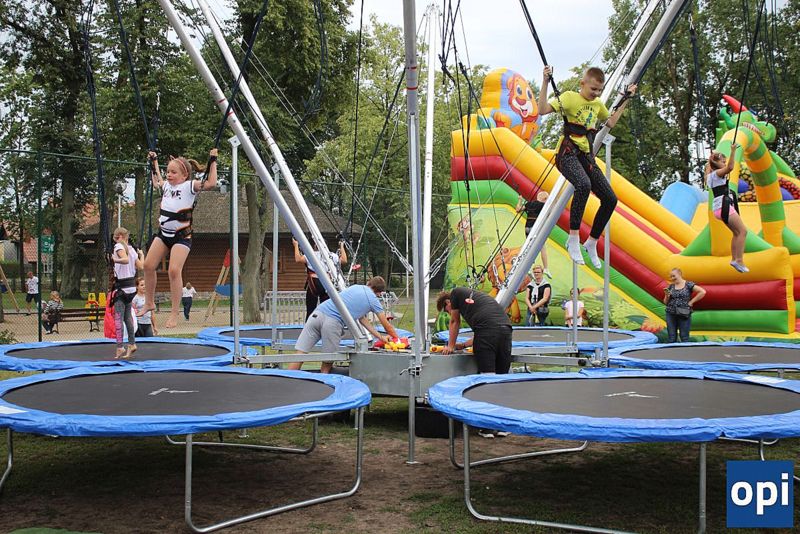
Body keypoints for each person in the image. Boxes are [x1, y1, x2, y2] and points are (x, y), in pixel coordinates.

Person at [538, 65, 636, 269]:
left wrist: (625, 99)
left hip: (585, 156)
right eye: (593, 89)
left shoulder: (597, 104)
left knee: (610, 199)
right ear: (582, 84)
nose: (596, 94)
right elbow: (542, 110)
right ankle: (573, 237)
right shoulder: (569, 98)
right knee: (583, 185)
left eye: (600, 90)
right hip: (566, 154)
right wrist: (546, 82)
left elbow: (610, 122)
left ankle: (591, 242)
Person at [139, 149, 218, 328]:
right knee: (148, 265)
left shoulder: (189, 186)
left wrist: (213, 160)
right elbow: (157, 180)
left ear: (184, 175)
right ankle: (149, 303)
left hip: (182, 237)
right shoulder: (166, 186)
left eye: (173, 172)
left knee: (174, 270)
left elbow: (211, 183)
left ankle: (174, 313)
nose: (169, 175)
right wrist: (154, 162)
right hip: (164, 234)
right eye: (168, 171)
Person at [438, 287, 512, 439]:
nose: (449, 313)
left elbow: (455, 321)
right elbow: (487, 328)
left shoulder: (456, 293)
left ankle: (487, 427)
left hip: (487, 333)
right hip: (505, 330)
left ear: (448, 302)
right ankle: (502, 426)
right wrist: (463, 345)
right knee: (501, 380)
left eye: (447, 310)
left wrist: (451, 346)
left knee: (487, 379)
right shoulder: (478, 299)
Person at [290, 276, 399, 374]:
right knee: (328, 360)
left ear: (369, 283)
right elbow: (386, 325)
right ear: (379, 293)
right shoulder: (373, 300)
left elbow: (362, 319)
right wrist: (397, 339)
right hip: (332, 322)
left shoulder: (355, 287)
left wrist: (380, 337)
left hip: (317, 314)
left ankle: (288, 377)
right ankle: (324, 380)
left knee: (300, 354)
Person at [705, 142, 748, 272]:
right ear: (716, 164)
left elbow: (709, 166)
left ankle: (734, 259)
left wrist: (712, 158)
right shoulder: (718, 174)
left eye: (724, 161)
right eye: (722, 162)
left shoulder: (709, 176)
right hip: (724, 206)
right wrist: (733, 150)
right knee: (743, 231)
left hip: (719, 208)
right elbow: (730, 167)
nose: (724, 163)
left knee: (736, 233)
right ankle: (739, 260)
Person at [293, 237, 348, 320]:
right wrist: (342, 246)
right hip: (326, 283)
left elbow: (298, 259)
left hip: (314, 284)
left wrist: (296, 245)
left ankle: (310, 324)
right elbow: (344, 260)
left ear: (315, 245)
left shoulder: (311, 254)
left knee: (311, 309)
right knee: (325, 309)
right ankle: (323, 323)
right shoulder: (331, 255)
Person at [112, 227, 144, 359]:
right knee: (128, 318)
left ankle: (120, 346)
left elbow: (124, 260)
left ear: (119, 236)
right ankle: (132, 344)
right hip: (131, 288)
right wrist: (142, 255)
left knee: (118, 318)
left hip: (122, 288)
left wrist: (114, 260)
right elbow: (141, 266)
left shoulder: (119, 246)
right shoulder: (131, 249)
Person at [663, 268, 706, 343]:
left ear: (680, 274)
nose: (672, 278)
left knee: (684, 336)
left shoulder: (688, 284)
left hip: (683, 312)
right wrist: (667, 296)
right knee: (671, 337)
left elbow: (702, 292)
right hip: (670, 313)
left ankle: (685, 350)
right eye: (671, 277)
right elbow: (665, 302)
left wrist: (691, 302)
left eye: (674, 276)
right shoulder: (671, 286)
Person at [516, 190, 551, 278]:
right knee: (542, 248)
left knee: (529, 247)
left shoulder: (529, 204)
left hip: (527, 228)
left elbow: (518, 209)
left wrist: (520, 200)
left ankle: (528, 267)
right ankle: (546, 268)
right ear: (545, 199)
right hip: (536, 228)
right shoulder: (543, 206)